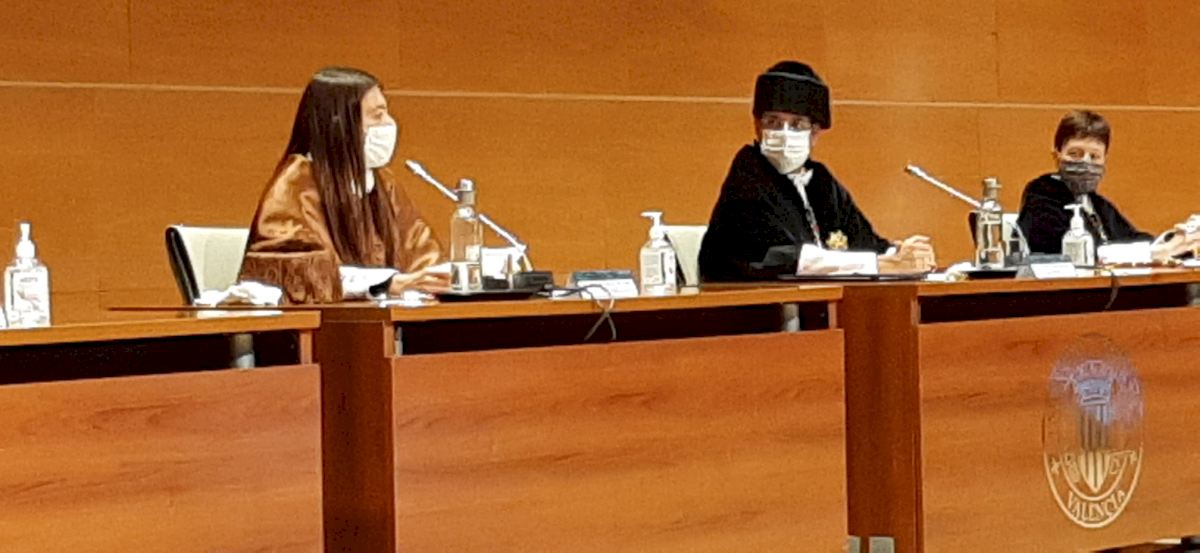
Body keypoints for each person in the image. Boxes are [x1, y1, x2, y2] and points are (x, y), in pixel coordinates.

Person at [698, 60, 935, 281]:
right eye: (773, 122)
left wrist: (901, 254)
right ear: (757, 125)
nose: (784, 133)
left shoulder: (821, 181)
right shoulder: (748, 176)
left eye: (797, 124)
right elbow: (784, 258)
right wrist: (881, 264)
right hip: (751, 305)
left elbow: (864, 243)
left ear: (815, 132)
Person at [238, 66, 445, 304]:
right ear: (341, 124)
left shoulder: (382, 183)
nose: (389, 124)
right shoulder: (297, 183)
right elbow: (297, 274)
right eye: (377, 116)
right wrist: (387, 283)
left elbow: (421, 251)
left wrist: (434, 279)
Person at [1017, 109, 1200, 261]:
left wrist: (1177, 241)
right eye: (1075, 154)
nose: (1085, 162)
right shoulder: (1041, 195)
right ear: (1057, 155)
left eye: (1094, 156)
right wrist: (1153, 253)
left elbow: (1131, 239)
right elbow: (1064, 253)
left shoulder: (1098, 204)